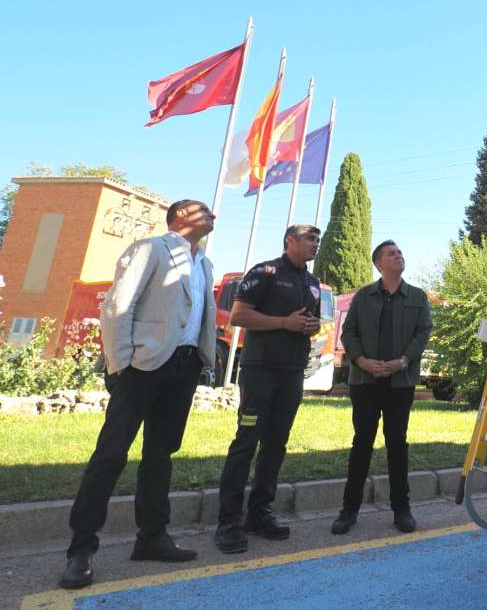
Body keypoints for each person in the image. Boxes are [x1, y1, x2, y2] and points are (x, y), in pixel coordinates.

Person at [60, 200, 217, 590]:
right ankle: (81, 549)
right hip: (142, 368)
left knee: (160, 455)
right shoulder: (150, 249)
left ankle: (152, 537)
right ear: (180, 216)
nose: (213, 216)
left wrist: (202, 360)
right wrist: (122, 363)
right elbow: (118, 306)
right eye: (205, 211)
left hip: (183, 367)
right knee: (111, 455)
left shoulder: (205, 263)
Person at [214, 224, 322, 554]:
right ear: (289, 240)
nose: (315, 245)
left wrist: (311, 326)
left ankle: (259, 513)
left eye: (318, 240)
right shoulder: (265, 272)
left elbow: (309, 321)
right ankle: (228, 522)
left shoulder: (312, 282)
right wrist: (284, 323)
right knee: (246, 441)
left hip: (292, 373)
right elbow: (239, 316)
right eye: (309, 239)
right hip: (260, 371)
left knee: (276, 444)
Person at [330, 240, 432, 535]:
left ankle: (402, 511)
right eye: (391, 253)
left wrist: (403, 361)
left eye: (400, 252)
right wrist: (361, 360)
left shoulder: (417, 296)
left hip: (401, 382)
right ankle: (348, 512)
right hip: (365, 382)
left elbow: (422, 332)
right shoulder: (363, 297)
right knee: (362, 443)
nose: (398, 255)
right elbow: (348, 333)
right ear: (379, 264)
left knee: (397, 444)